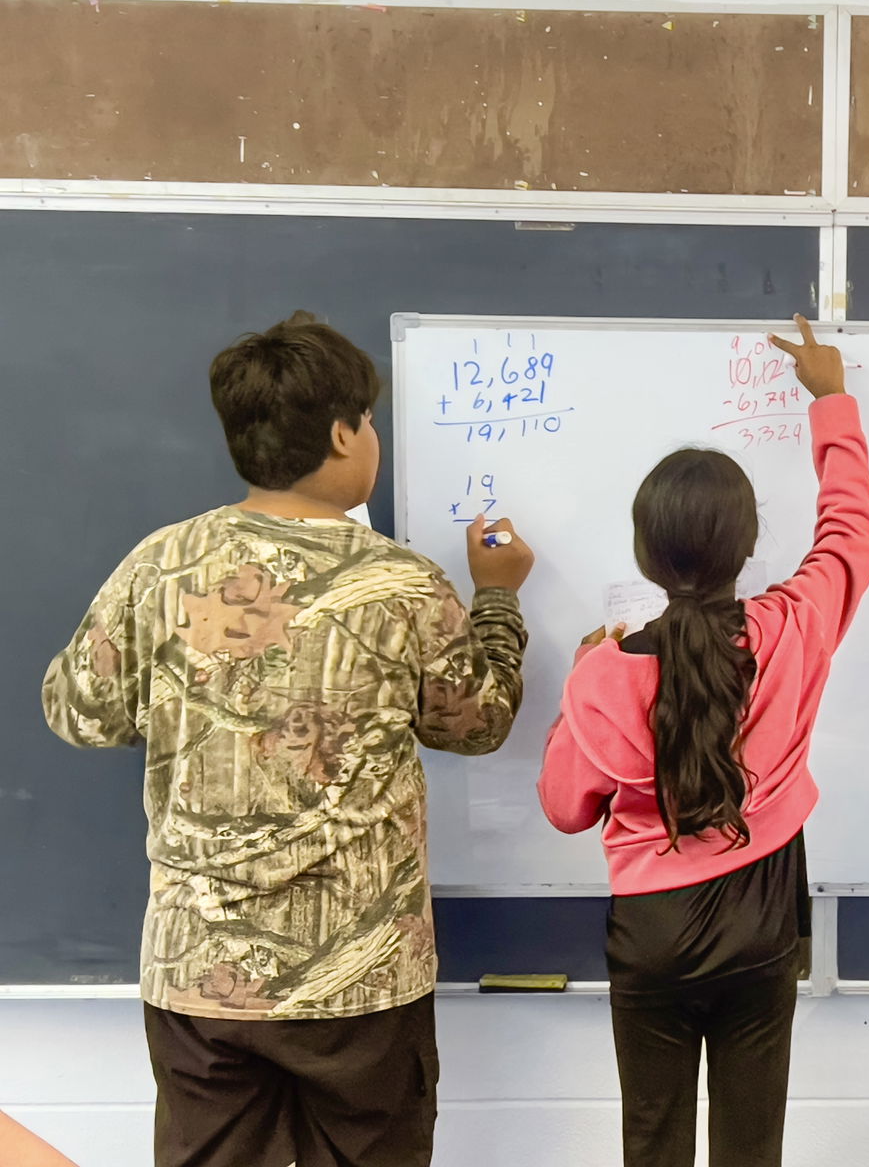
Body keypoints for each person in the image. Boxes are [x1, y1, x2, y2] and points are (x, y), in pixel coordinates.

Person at [41, 312, 534, 1167]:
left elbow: (81, 712)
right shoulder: (402, 582)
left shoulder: (159, 564)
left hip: (201, 974)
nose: (372, 434)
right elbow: (479, 723)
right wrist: (496, 600)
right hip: (362, 976)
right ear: (344, 433)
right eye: (370, 419)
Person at [538, 315, 869, 1166]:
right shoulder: (792, 627)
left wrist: (575, 695)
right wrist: (832, 400)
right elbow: (850, 536)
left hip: (650, 934)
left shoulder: (604, 675)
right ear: (749, 544)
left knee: (651, 1145)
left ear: (646, 554)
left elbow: (564, 810)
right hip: (765, 917)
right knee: (751, 1146)